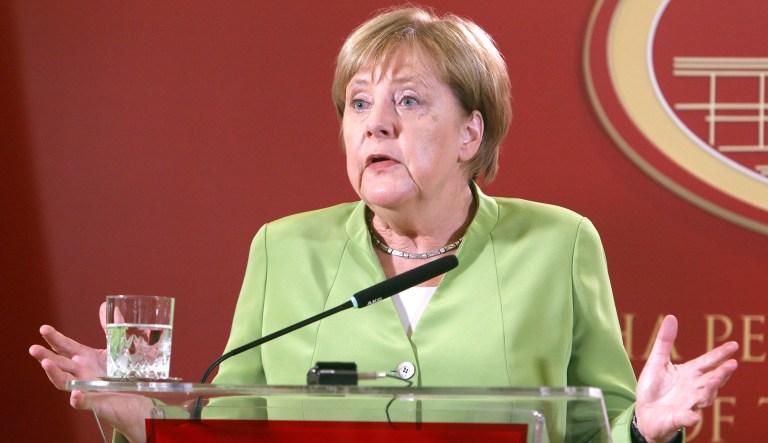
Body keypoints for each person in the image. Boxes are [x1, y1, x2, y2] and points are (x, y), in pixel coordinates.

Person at [30, 6, 738, 443]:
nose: (378, 124)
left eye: (408, 100)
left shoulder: (559, 244)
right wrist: (138, 415)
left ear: (470, 133)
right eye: (358, 104)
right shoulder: (284, 248)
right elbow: (231, 434)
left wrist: (642, 430)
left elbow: (590, 434)